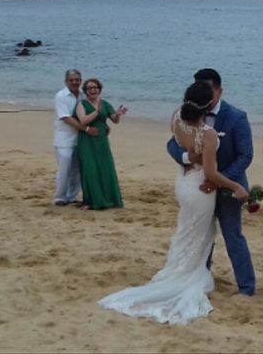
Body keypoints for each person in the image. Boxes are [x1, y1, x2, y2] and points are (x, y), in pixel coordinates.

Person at [99, 81, 249, 324]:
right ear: (206, 103)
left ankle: (186, 271)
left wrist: (191, 158)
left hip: (184, 183)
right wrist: (236, 186)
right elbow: (209, 172)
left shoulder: (177, 118)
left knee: (188, 231)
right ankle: (185, 276)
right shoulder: (207, 134)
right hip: (200, 188)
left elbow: (179, 140)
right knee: (197, 232)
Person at [167, 68, 256, 296]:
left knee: (233, 236)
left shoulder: (237, 117)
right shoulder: (186, 112)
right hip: (198, 189)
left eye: (208, 89)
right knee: (200, 236)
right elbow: (173, 143)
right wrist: (187, 157)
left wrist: (220, 181)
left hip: (225, 188)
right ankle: (199, 279)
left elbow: (245, 155)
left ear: (219, 90)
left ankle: (246, 287)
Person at [74, 78, 127, 210]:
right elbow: (83, 120)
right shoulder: (81, 104)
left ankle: (109, 199)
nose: (93, 90)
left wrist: (119, 115)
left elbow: (114, 120)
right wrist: (97, 111)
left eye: (95, 87)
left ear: (99, 89)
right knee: (90, 170)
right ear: (85, 91)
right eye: (90, 88)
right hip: (86, 141)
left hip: (102, 141)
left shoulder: (105, 103)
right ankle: (91, 201)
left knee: (105, 169)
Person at [53, 69, 98, 206]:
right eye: (71, 80)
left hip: (80, 139)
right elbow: (66, 118)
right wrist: (86, 129)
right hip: (64, 139)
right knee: (64, 169)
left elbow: (91, 111)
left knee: (77, 170)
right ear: (66, 81)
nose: (74, 82)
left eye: (77, 80)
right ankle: (60, 197)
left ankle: (72, 196)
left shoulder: (83, 95)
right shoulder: (60, 96)